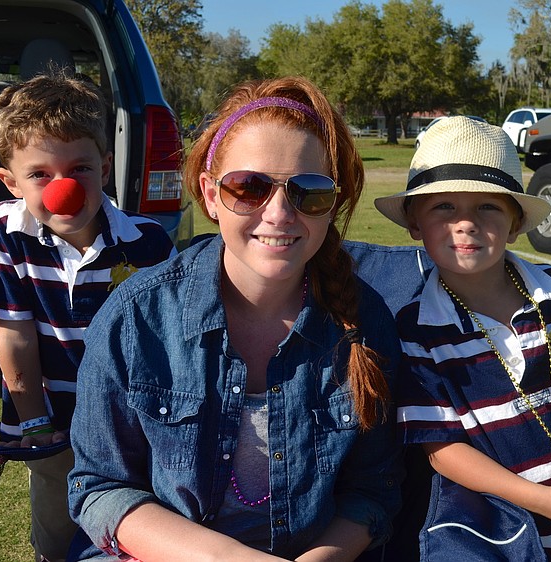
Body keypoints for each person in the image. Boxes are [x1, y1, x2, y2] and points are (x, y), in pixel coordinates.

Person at [67, 76, 403, 561]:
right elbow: (100, 487)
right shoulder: (136, 319)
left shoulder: (363, 321)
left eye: (309, 191)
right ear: (209, 194)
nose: (280, 213)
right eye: (249, 187)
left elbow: (374, 491)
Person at [374, 116, 551, 561]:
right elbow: (442, 449)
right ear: (414, 223)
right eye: (443, 207)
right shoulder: (416, 331)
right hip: (496, 534)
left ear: (516, 223)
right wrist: (547, 503)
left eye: (488, 207)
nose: (466, 224)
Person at [0, 73, 176, 562]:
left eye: (79, 167)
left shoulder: (147, 243)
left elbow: (164, 343)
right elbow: (14, 334)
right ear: (10, 181)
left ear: (105, 168)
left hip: (132, 421)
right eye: (39, 174)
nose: (63, 189)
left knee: (133, 521)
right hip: (52, 420)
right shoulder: (3, 230)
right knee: (57, 529)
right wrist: (34, 420)